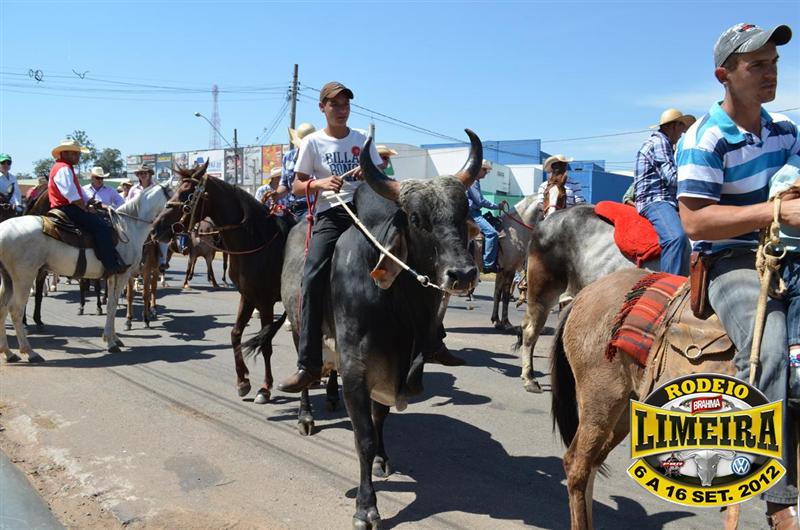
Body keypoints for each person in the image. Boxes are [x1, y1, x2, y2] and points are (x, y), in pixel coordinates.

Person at [676, 22, 798, 527]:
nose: (771, 73)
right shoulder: (703, 138)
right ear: (723, 75)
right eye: (757, 65)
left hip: (788, 250)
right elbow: (695, 221)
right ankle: (777, 495)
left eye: (774, 63)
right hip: (731, 258)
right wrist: (774, 212)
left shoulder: (786, 130)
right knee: (768, 352)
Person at [276, 81, 384, 392]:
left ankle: (428, 341)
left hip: (366, 212)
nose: (341, 109)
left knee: (403, 258)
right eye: (334, 104)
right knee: (311, 277)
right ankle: (309, 364)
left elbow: (381, 177)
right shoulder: (313, 143)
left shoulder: (362, 139)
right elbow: (298, 186)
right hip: (332, 214)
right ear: (322, 107)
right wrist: (320, 184)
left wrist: (368, 174)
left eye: (345, 104)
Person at [48, 139, 127, 275]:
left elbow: (79, 194)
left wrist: (93, 203)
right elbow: (71, 195)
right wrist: (85, 208)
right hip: (68, 208)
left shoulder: (63, 167)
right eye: (75, 153)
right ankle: (111, 265)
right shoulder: (64, 168)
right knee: (102, 227)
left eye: (78, 153)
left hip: (65, 207)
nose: (78, 156)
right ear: (65, 153)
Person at [635, 109, 695, 275]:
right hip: (655, 200)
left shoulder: (664, 143)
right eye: (681, 129)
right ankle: (668, 284)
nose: (682, 134)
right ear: (673, 126)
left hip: (663, 199)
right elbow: (672, 178)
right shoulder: (660, 142)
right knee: (676, 238)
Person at [128, 163, 169, 272]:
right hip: (136, 221)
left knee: (163, 237)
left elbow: (163, 206)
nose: (142, 175)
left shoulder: (157, 188)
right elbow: (128, 204)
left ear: (150, 174)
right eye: (140, 173)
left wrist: (157, 218)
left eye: (144, 173)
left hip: (153, 221)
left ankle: (162, 261)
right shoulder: (133, 189)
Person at [467, 159, 506, 273]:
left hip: (474, 212)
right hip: (473, 213)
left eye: (486, 170)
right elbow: (480, 201)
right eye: (484, 170)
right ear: (477, 169)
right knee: (492, 233)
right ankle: (488, 264)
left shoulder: (474, 181)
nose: (486, 172)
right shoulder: (473, 182)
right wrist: (497, 206)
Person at [276, 122, 316, 216]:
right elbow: (285, 185)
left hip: (313, 206)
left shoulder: (318, 156)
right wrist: (276, 194)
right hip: (293, 207)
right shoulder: (288, 157)